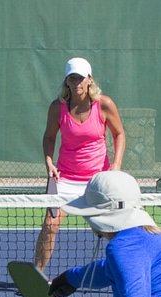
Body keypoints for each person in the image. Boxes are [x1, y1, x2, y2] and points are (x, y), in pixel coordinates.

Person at [35, 57, 125, 274]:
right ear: (67, 81)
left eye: (80, 78)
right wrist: (49, 161)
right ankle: (36, 275)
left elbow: (119, 134)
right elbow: (49, 137)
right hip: (64, 179)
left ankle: (125, 272)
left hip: (98, 180)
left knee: (114, 229)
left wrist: (116, 166)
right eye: (72, 78)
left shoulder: (104, 104)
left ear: (89, 80)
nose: (76, 82)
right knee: (50, 225)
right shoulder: (57, 108)